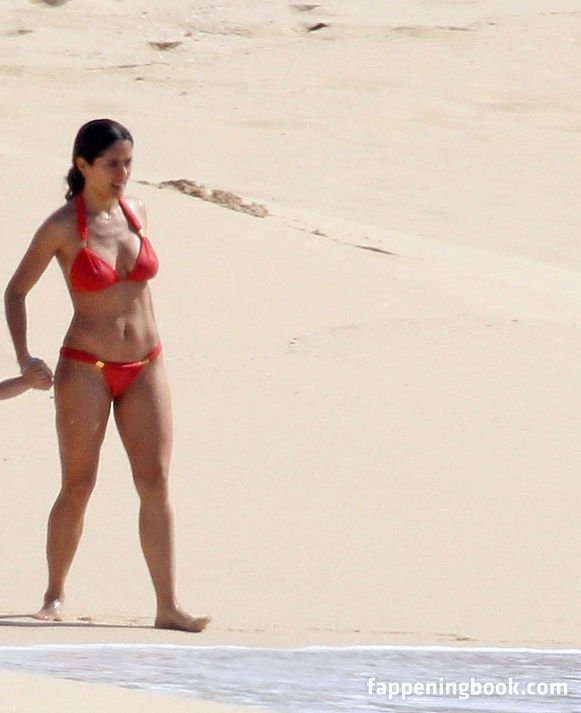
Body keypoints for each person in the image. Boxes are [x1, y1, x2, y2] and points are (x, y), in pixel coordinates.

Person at [4, 118, 210, 632]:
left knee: (155, 481)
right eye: (112, 164)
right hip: (86, 368)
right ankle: (53, 594)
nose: (123, 173)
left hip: (146, 364)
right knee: (78, 485)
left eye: (128, 163)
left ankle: (167, 605)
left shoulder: (137, 213)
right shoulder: (61, 227)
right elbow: (15, 292)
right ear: (83, 165)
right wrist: (25, 358)